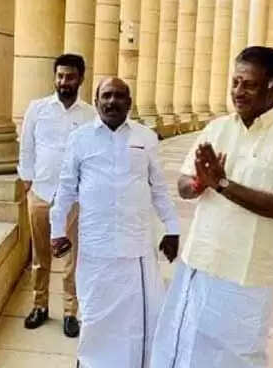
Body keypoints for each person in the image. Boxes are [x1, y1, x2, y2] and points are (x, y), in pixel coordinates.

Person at [151, 47, 273, 367]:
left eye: (248, 84)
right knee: (185, 347)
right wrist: (199, 184)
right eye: (235, 82)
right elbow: (183, 184)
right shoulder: (217, 128)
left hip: (247, 274)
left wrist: (222, 184)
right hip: (201, 260)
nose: (238, 91)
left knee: (237, 355)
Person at [49, 77, 181, 368]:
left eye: (119, 96)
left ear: (129, 103)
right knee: (95, 315)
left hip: (137, 250)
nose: (112, 102)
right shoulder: (80, 138)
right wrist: (57, 230)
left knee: (137, 322)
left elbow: (159, 188)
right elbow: (66, 188)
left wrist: (172, 229)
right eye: (106, 96)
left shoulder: (145, 138)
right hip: (96, 249)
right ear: (96, 102)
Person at [18, 54, 96, 337]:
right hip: (41, 193)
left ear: (81, 79)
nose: (64, 82)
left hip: (74, 199)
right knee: (40, 256)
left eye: (70, 77)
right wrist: (28, 182)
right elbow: (27, 147)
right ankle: (39, 306)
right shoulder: (37, 109)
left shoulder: (90, 115)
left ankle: (70, 313)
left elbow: (93, 155)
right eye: (60, 76)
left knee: (72, 259)